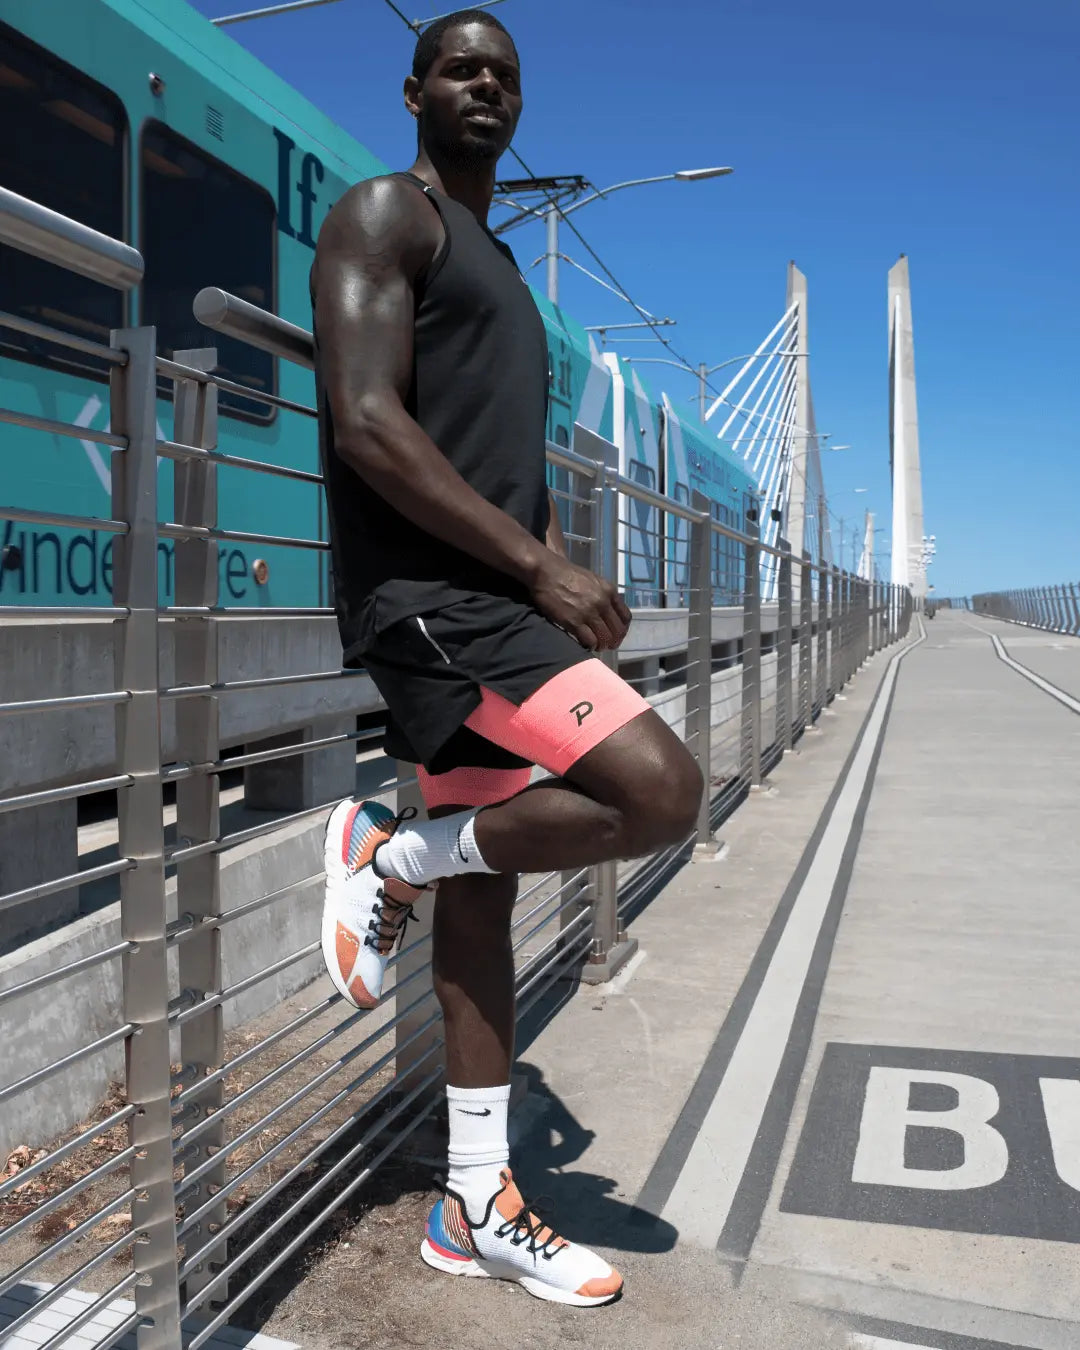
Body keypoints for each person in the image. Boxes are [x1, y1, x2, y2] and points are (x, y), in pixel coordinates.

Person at [310, 8, 703, 1307]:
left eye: (507, 76)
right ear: (415, 87)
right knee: (658, 790)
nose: (486, 86)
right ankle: (391, 848)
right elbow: (367, 421)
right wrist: (536, 570)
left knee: (490, 891)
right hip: (434, 600)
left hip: (497, 602)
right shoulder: (389, 215)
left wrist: (551, 563)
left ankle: (474, 1200)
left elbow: (499, 453)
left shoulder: (505, 274)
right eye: (463, 68)